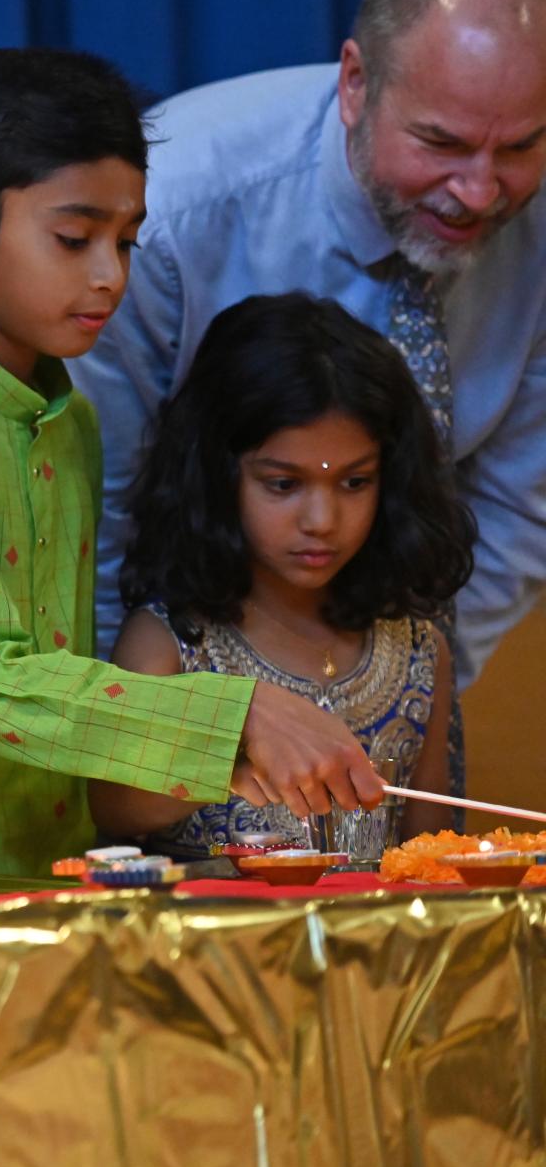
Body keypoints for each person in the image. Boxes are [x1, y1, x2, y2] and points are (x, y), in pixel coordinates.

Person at [0, 48, 384, 877]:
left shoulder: (72, 420)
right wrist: (231, 717)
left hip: (48, 868)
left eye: (127, 241)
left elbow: (61, 671)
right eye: (74, 239)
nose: (110, 276)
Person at [68, 0, 546, 804]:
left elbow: (522, 504)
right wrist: (161, 739)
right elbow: (97, 520)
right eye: (441, 143)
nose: (481, 190)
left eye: (519, 147)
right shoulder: (171, 211)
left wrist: (394, 686)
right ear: (357, 84)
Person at [93, 294, 474, 856]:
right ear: (220, 476)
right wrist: (229, 745)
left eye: (354, 482)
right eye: (282, 484)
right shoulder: (171, 645)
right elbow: (111, 809)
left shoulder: (418, 656)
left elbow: (433, 860)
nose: (321, 522)